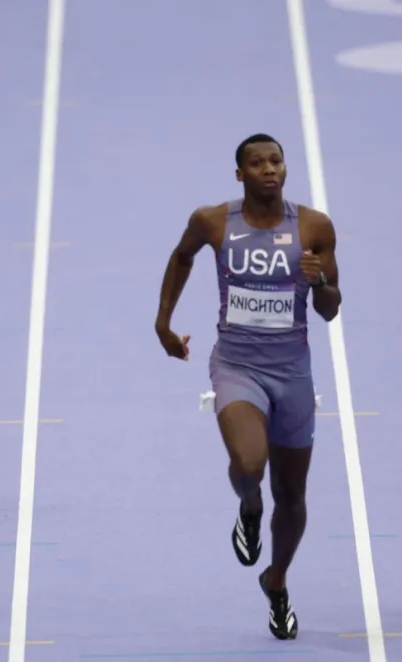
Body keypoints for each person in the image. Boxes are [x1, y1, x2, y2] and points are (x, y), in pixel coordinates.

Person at [154, 133, 342, 640]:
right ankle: (249, 505)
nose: (269, 169)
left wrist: (319, 281)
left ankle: (276, 582)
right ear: (240, 174)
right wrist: (163, 322)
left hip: (293, 374)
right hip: (236, 366)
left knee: (293, 495)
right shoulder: (213, 221)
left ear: (286, 168)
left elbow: (330, 309)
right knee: (249, 465)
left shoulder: (314, 227)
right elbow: (182, 256)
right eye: (257, 163)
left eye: (276, 161)